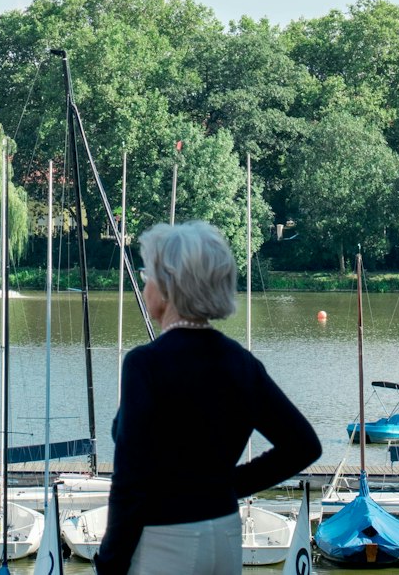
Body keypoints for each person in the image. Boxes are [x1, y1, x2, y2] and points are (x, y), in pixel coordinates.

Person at [95, 220, 321, 575]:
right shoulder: (239, 361)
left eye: (147, 274)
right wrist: (226, 486)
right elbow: (304, 445)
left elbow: (130, 482)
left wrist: (108, 563)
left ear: (168, 284)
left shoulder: (145, 363)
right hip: (225, 534)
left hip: (164, 540)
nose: (144, 283)